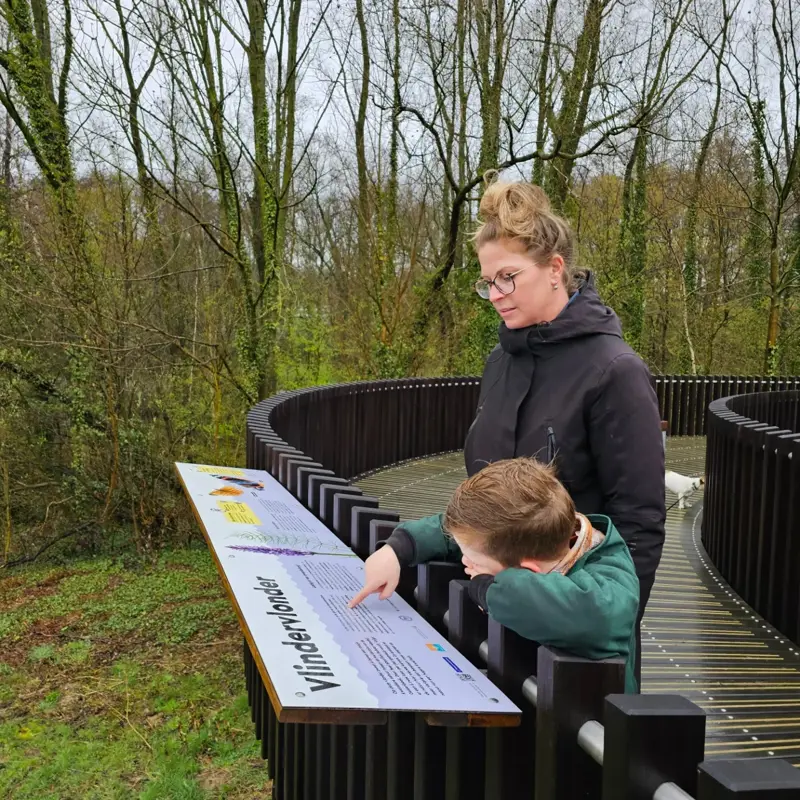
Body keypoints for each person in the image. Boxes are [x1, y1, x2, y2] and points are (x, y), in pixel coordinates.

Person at [392, 180, 665, 686]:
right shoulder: (500, 362)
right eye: (487, 282)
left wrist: (605, 640)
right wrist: (406, 546)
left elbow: (640, 524)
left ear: (555, 269)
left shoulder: (615, 371)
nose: (495, 295)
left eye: (508, 278)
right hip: (489, 614)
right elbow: (486, 504)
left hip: (572, 640)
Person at [349, 458, 640, 692]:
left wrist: (486, 589)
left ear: (527, 570)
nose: (465, 562)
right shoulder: (535, 534)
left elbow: (595, 616)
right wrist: (399, 548)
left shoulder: (609, 580)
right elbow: (470, 535)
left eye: (473, 562)